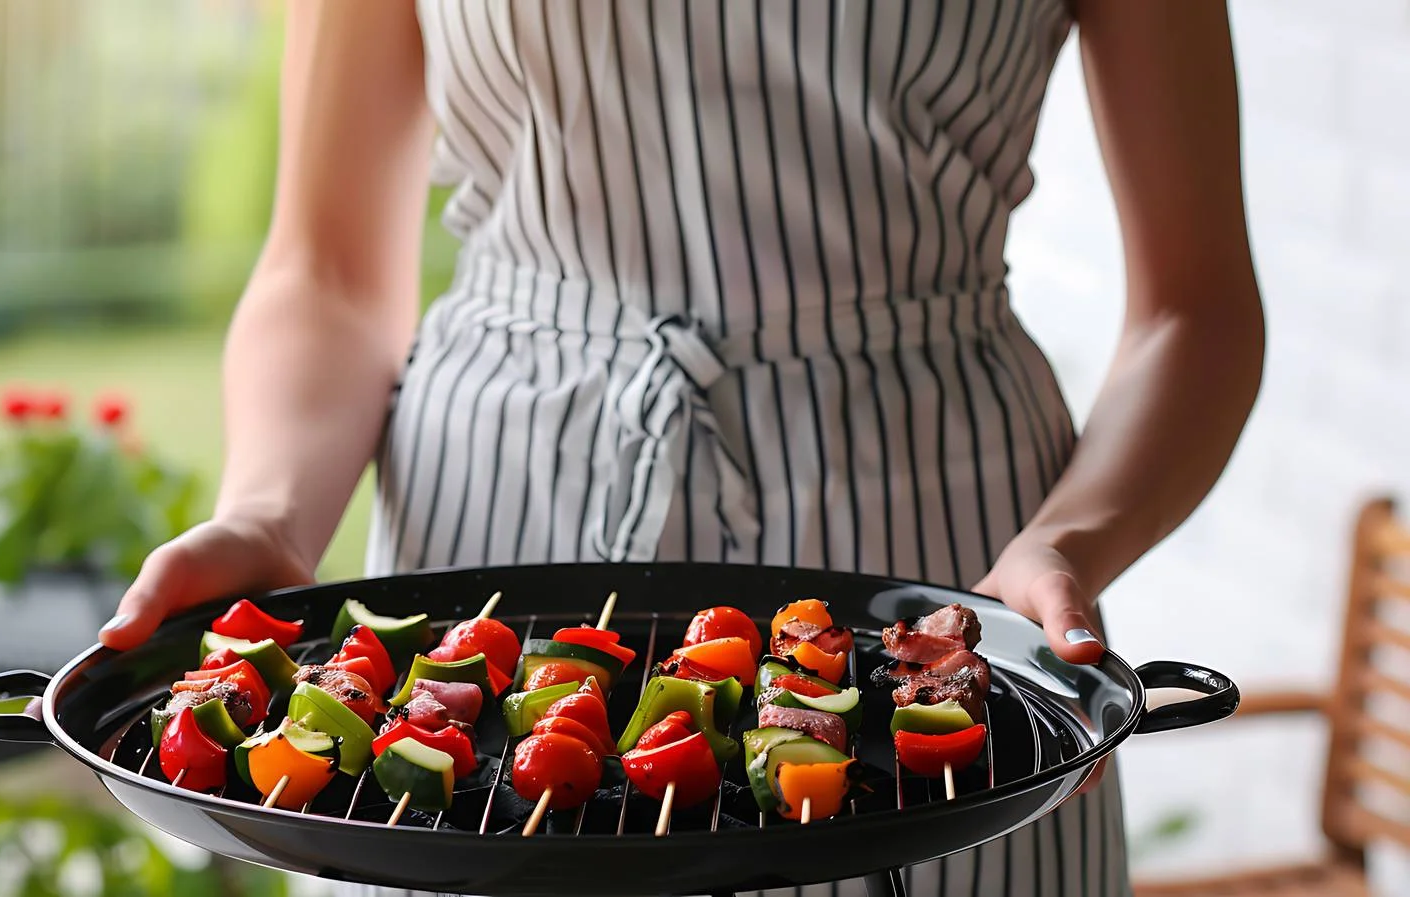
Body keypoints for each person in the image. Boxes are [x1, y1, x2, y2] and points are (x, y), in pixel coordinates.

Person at [98, 1, 1264, 894]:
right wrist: (268, 509)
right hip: (497, 509)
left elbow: (1193, 306)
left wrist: (1071, 540)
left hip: (952, 550)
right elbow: (330, 268)